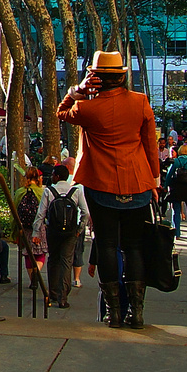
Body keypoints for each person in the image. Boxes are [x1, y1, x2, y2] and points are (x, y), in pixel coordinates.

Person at [57, 50, 158, 329]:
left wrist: (77, 89)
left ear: (96, 77)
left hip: (101, 184)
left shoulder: (87, 109)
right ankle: (136, 314)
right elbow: (150, 144)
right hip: (138, 184)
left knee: (107, 245)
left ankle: (113, 314)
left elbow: (60, 112)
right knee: (134, 247)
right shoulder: (140, 102)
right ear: (122, 76)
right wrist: (155, 181)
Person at [32, 164, 88, 308]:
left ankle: (53, 293)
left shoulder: (49, 191)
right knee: (66, 261)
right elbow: (85, 212)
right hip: (70, 232)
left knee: (53, 260)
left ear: (56, 176)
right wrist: (79, 228)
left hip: (54, 231)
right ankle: (64, 296)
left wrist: (36, 232)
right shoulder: (75, 191)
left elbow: (41, 213)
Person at [13, 166, 46, 288]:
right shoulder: (42, 192)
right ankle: (37, 270)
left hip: (24, 228)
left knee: (28, 253)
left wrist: (15, 230)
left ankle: (33, 277)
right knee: (40, 252)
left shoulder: (20, 192)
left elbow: (14, 211)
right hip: (39, 227)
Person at [164, 143, 187, 239]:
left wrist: (165, 186)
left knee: (176, 210)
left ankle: (176, 233)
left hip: (176, 187)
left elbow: (169, 175)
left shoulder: (175, 161)